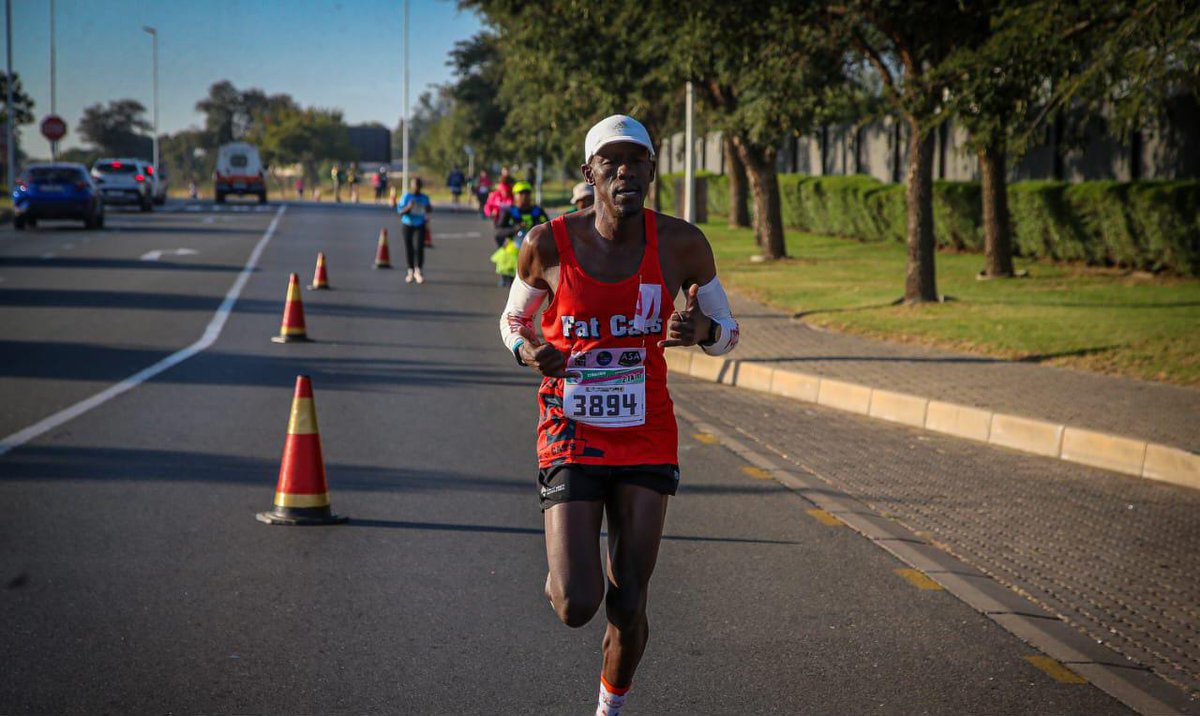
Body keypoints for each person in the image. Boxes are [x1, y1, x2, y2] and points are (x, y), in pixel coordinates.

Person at [497, 115, 740, 716]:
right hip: (571, 431)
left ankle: (611, 707)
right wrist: (530, 351)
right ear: (590, 174)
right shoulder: (545, 244)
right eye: (612, 162)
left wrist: (703, 330)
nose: (625, 172)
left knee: (629, 599)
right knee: (577, 603)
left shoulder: (683, 244)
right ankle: (565, 567)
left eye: (637, 162)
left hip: (646, 433)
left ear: (653, 173)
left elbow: (729, 333)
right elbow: (511, 322)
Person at [492, 181, 549, 286]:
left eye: (527, 193)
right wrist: (514, 229)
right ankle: (506, 277)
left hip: (534, 250)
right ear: (515, 195)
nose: (524, 196)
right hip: (513, 250)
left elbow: (548, 228)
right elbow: (499, 232)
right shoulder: (509, 211)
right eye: (521, 193)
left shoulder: (537, 211)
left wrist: (538, 227)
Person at [397, 176, 433, 284]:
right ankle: (410, 271)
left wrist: (428, 208)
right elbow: (400, 211)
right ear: (411, 186)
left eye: (417, 185)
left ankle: (418, 270)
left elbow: (429, 209)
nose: (415, 187)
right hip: (408, 224)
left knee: (419, 247)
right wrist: (409, 207)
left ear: (420, 186)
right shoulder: (406, 196)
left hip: (420, 224)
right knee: (409, 248)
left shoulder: (424, 198)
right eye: (413, 185)